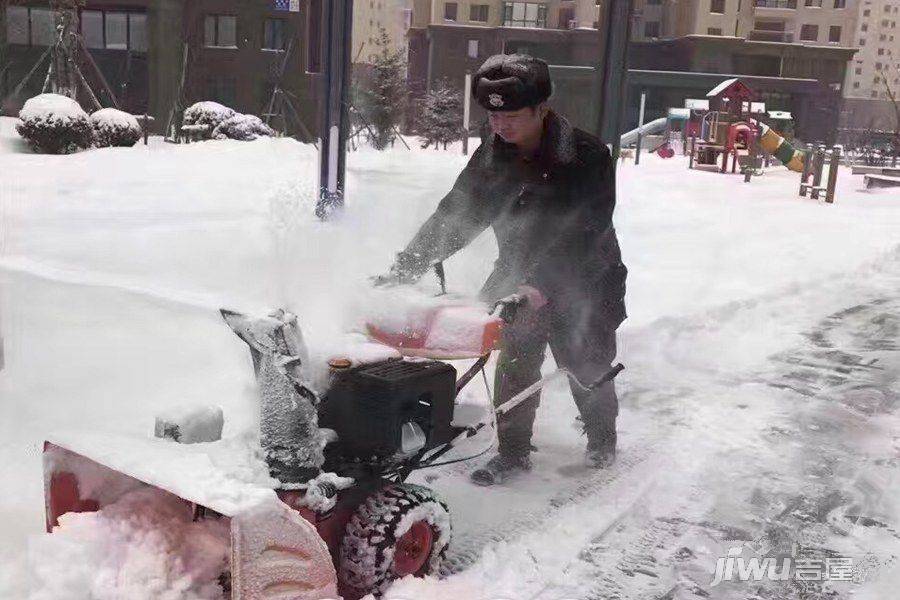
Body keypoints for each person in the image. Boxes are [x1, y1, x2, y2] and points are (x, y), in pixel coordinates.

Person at [375, 54, 627, 485]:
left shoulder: (586, 155)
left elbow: (588, 227)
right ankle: (513, 452)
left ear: (541, 110)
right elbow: (455, 216)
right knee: (514, 364)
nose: (499, 126)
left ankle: (601, 440)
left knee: (586, 364)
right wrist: (406, 268)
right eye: (492, 115)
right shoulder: (492, 156)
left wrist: (540, 283)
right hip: (516, 275)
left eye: (510, 115)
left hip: (585, 276)